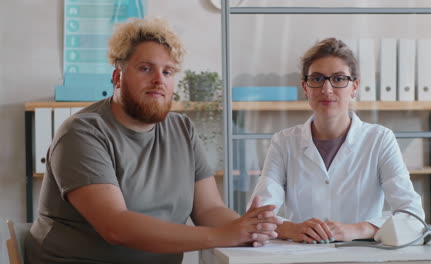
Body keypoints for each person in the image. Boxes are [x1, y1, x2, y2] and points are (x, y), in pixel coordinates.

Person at [24, 18, 281, 264]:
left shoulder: (182, 130)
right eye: (146, 68)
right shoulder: (82, 133)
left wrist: (258, 227)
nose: (159, 80)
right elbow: (116, 227)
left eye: (167, 71)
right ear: (117, 77)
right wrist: (225, 235)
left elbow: (209, 210)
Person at [247, 38, 424, 244]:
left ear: (354, 87)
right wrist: (291, 229)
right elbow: (258, 216)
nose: (327, 89)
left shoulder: (380, 139)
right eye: (317, 79)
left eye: (339, 79)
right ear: (305, 88)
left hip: (361, 256)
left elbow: (413, 216)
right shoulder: (284, 142)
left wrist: (359, 229)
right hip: (302, 256)